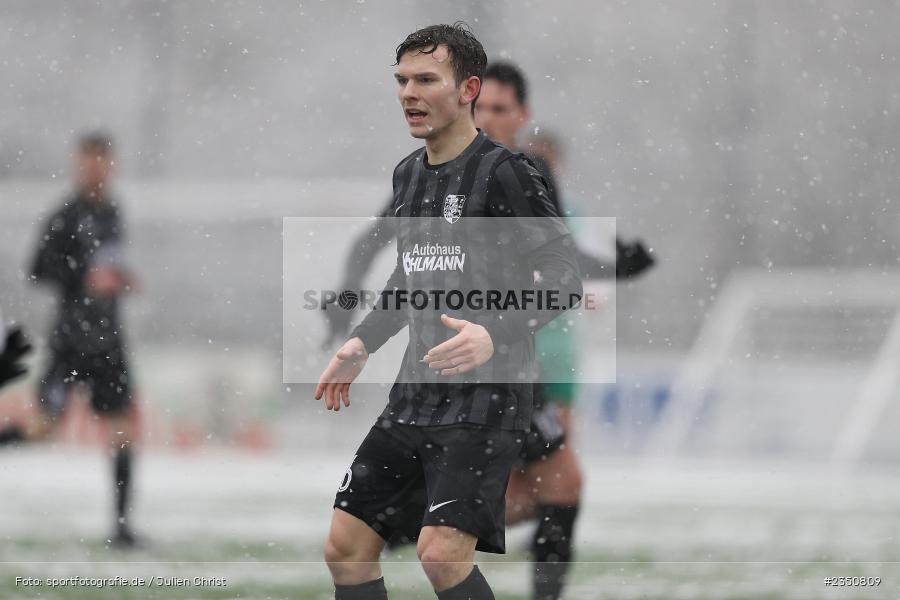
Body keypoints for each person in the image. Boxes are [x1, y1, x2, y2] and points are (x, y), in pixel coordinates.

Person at [322, 59, 654, 599]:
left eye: (501, 110)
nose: (491, 119)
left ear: (522, 115)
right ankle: (423, 525)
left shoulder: (520, 173)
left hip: (522, 364)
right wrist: (356, 324)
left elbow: (561, 266)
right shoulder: (419, 173)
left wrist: (610, 270)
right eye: (485, 109)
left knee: (554, 488)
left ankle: (448, 538)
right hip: (437, 377)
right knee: (381, 540)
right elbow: (402, 259)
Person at [0, 132, 141, 547]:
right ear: (78, 166)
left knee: (122, 431)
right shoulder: (64, 216)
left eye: (102, 161)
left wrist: (122, 281)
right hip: (71, 343)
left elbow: (109, 268)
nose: (96, 170)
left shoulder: (114, 212)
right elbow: (37, 268)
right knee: (44, 430)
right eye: (88, 162)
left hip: (109, 342)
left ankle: (121, 529)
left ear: (111, 165)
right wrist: (83, 277)